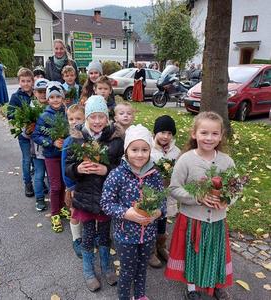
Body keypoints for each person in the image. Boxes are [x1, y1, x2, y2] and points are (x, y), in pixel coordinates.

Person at [165, 112, 235, 300]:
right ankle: (192, 287)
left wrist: (226, 200)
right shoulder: (186, 159)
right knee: (192, 254)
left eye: (214, 133)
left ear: (221, 136)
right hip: (192, 220)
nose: (209, 138)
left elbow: (236, 189)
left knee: (215, 254)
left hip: (217, 221)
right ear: (194, 133)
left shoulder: (227, 162)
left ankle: (216, 283)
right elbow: (174, 188)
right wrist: (197, 196)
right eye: (204, 133)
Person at [101, 124, 166, 300]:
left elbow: (162, 201)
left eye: (144, 149)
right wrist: (126, 213)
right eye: (134, 149)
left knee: (142, 268)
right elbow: (106, 203)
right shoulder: (117, 175)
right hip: (125, 235)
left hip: (148, 235)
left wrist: (157, 213)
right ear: (126, 151)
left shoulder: (155, 175)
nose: (139, 154)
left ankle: (140, 295)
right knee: (128, 270)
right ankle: (123, 296)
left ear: (150, 151)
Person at [65, 95, 124, 292]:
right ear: (87, 118)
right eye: (93, 117)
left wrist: (106, 170)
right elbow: (67, 167)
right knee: (88, 236)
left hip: (107, 199)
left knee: (105, 235)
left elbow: (122, 168)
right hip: (85, 197)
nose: (97, 121)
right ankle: (88, 270)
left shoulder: (115, 141)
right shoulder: (77, 139)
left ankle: (106, 267)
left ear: (107, 118)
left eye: (101, 117)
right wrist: (78, 169)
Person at [32, 82, 70, 232]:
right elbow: (36, 135)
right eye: (52, 97)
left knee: (62, 183)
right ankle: (54, 214)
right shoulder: (44, 115)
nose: (55, 100)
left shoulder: (66, 113)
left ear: (63, 98)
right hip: (51, 156)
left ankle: (61, 207)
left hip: (64, 155)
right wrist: (51, 142)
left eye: (58, 96)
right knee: (54, 186)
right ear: (47, 99)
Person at [148, 115, 180, 268]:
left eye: (169, 133)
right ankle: (151, 250)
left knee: (162, 220)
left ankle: (161, 246)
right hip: (151, 193)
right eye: (162, 132)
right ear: (155, 133)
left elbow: (180, 171)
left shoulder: (176, 152)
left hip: (167, 193)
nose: (165, 136)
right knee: (151, 220)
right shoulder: (149, 149)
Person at [61, 104, 85, 258]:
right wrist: (70, 187)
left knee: (89, 210)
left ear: (85, 119)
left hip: (89, 183)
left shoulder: (88, 137)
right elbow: (65, 167)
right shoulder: (69, 141)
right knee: (75, 211)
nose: (74, 122)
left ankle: (91, 235)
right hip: (74, 184)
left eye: (78, 118)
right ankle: (76, 239)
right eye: (71, 119)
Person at [7, 68, 35, 198]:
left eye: (28, 81)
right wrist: (21, 119)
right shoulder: (16, 97)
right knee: (27, 159)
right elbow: (10, 114)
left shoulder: (36, 95)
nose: (26, 84)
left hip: (37, 133)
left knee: (37, 158)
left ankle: (39, 182)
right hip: (24, 134)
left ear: (32, 81)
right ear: (19, 82)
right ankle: (28, 183)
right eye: (23, 81)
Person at [31, 78, 49, 212]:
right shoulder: (31, 109)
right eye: (40, 92)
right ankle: (39, 198)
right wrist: (26, 131)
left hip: (52, 149)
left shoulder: (53, 106)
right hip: (37, 150)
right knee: (39, 174)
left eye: (45, 91)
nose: (43, 94)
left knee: (52, 174)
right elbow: (26, 133)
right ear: (35, 93)